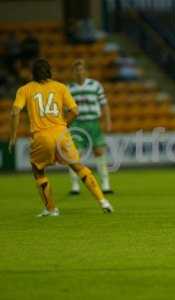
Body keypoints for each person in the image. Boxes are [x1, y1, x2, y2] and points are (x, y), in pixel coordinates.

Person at [8, 59, 113, 217]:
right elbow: (75, 111)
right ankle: (103, 201)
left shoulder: (24, 90)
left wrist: (13, 137)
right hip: (62, 134)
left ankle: (51, 209)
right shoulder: (60, 87)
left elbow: (15, 112)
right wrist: (65, 125)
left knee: (38, 171)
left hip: (41, 136)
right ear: (49, 71)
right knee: (78, 167)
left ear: (33, 73)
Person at [68, 59, 113, 195]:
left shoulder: (95, 85)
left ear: (85, 71)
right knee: (75, 155)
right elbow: (66, 110)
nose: (79, 72)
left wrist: (108, 121)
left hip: (93, 122)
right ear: (73, 72)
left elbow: (104, 104)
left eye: (81, 69)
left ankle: (105, 184)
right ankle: (75, 186)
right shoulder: (69, 89)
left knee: (99, 151)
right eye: (76, 70)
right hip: (77, 124)